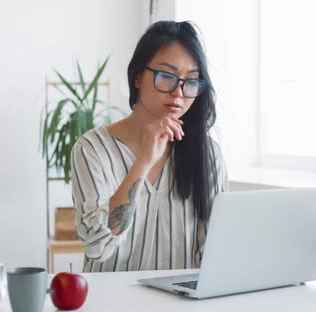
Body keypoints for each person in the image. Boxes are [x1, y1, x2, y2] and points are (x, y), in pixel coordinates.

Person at [70, 21, 228, 272]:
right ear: (137, 77)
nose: (178, 93)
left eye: (191, 81)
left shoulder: (207, 153)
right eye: (167, 76)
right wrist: (143, 161)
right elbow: (97, 246)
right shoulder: (92, 149)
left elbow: (215, 252)